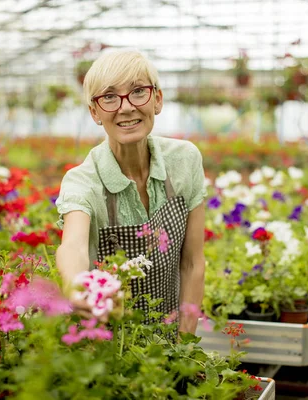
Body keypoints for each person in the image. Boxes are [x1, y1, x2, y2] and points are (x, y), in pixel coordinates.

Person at [55, 50, 206, 334]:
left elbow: (193, 263)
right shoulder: (82, 181)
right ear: (95, 112)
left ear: (157, 100)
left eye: (138, 91)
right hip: (111, 348)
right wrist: (75, 285)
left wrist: (184, 347)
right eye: (109, 97)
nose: (125, 107)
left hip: (171, 338)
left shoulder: (184, 160)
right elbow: (72, 246)